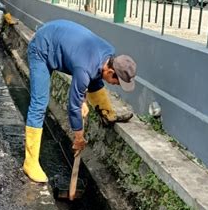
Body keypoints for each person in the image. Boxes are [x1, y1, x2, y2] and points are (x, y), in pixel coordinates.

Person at [23, 19, 137, 183]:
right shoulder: (84, 68)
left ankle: (106, 113)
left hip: (62, 41)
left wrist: (84, 99)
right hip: (41, 49)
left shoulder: (108, 54)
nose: (116, 85)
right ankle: (30, 162)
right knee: (39, 104)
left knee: (96, 79)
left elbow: (93, 77)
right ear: (110, 70)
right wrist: (78, 137)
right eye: (117, 81)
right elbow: (73, 106)